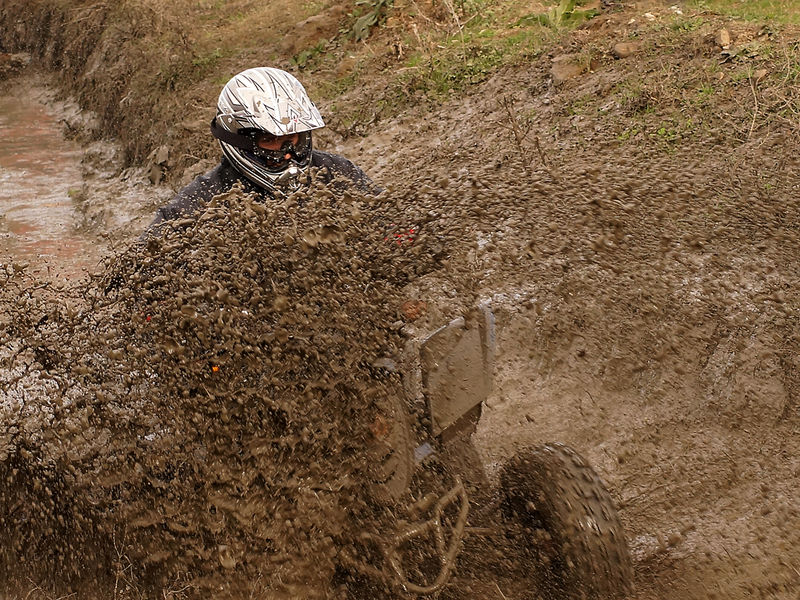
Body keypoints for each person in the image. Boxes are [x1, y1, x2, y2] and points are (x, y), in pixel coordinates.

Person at [144, 67, 378, 235]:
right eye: (270, 140)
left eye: (292, 139)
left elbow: (390, 225)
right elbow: (141, 269)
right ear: (240, 142)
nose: (287, 153)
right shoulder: (199, 205)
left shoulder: (338, 174)